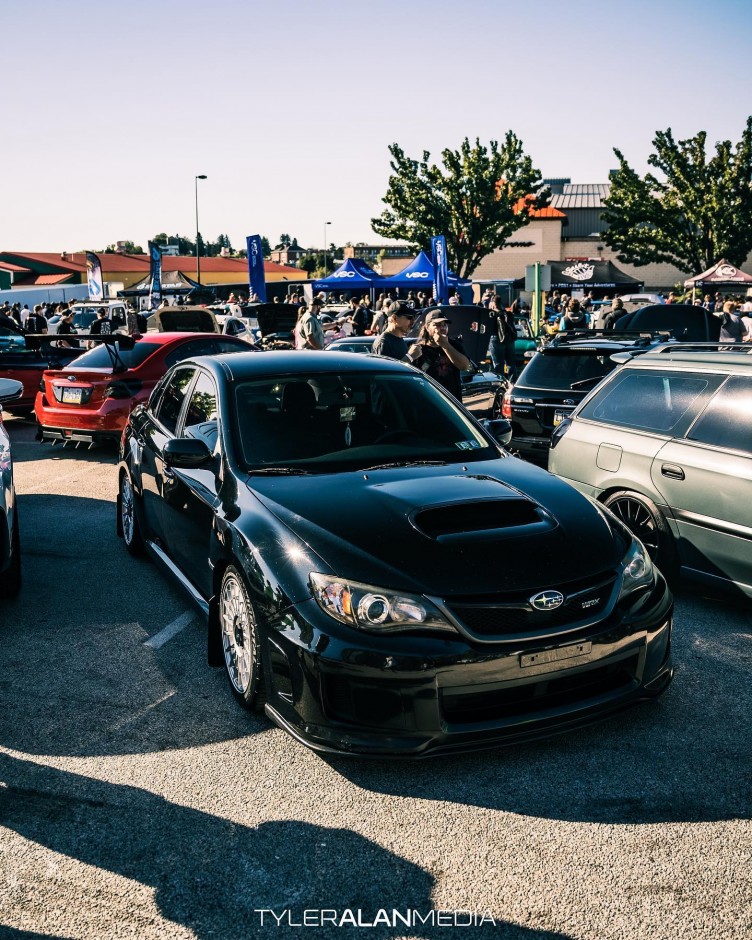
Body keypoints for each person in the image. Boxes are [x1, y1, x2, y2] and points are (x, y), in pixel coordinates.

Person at [406, 309, 471, 400]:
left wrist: (445, 345)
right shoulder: (418, 349)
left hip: (452, 402)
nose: (443, 328)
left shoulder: (454, 345)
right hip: (431, 402)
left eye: (445, 325)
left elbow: (465, 366)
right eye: (438, 325)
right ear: (427, 327)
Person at [487, 295, 517, 382]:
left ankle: (501, 383)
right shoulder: (508, 314)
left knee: (498, 364)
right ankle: (512, 383)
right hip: (509, 339)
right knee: (511, 364)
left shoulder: (491, 314)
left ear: (493, 303)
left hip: (496, 339)